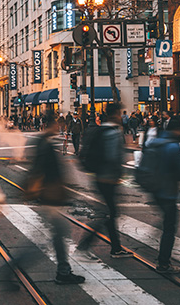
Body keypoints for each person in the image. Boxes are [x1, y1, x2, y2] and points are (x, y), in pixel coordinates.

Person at [28, 110, 85, 285]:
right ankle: (62, 271)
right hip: (49, 197)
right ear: (50, 125)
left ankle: (63, 270)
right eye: (56, 124)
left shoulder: (42, 143)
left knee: (56, 236)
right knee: (56, 236)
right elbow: (48, 172)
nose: (58, 127)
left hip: (47, 196)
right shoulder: (46, 145)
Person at [77, 104, 133, 259]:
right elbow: (113, 157)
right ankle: (85, 245)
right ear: (114, 115)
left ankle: (116, 248)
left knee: (109, 213)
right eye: (119, 114)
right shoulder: (113, 133)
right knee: (108, 214)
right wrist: (119, 175)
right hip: (108, 178)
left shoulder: (100, 130)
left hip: (98, 176)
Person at [149, 117, 180, 273]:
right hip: (168, 191)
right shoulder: (173, 147)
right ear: (177, 130)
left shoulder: (157, 142)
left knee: (167, 222)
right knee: (170, 228)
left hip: (155, 189)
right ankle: (164, 263)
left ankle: (162, 257)